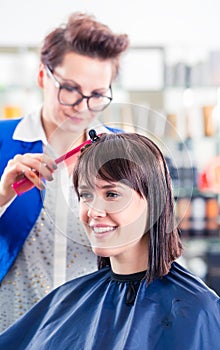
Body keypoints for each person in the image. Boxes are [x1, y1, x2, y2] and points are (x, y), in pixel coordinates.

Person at [0, 132, 220, 349]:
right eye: (86, 195)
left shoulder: (196, 310)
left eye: (112, 194)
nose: (94, 211)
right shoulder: (67, 301)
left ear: (156, 202)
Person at [0, 12, 129, 331]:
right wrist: (1, 195)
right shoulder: (2, 143)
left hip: (93, 332)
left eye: (97, 94)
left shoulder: (123, 152)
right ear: (43, 76)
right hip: (13, 331)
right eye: (70, 89)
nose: (83, 107)